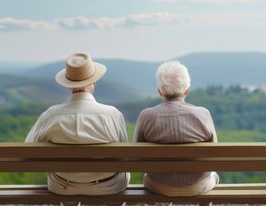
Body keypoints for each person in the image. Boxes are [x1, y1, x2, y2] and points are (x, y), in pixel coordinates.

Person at [26, 52, 130, 197]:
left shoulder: (50, 115)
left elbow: (29, 149)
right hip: (108, 186)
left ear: (69, 85)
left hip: (63, 185)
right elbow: (124, 155)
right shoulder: (113, 115)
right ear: (94, 82)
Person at [134, 61, 219, 199]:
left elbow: (137, 157)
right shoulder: (203, 115)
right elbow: (213, 154)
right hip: (197, 186)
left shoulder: (146, 116)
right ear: (187, 91)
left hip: (159, 186)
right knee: (214, 176)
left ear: (160, 92)